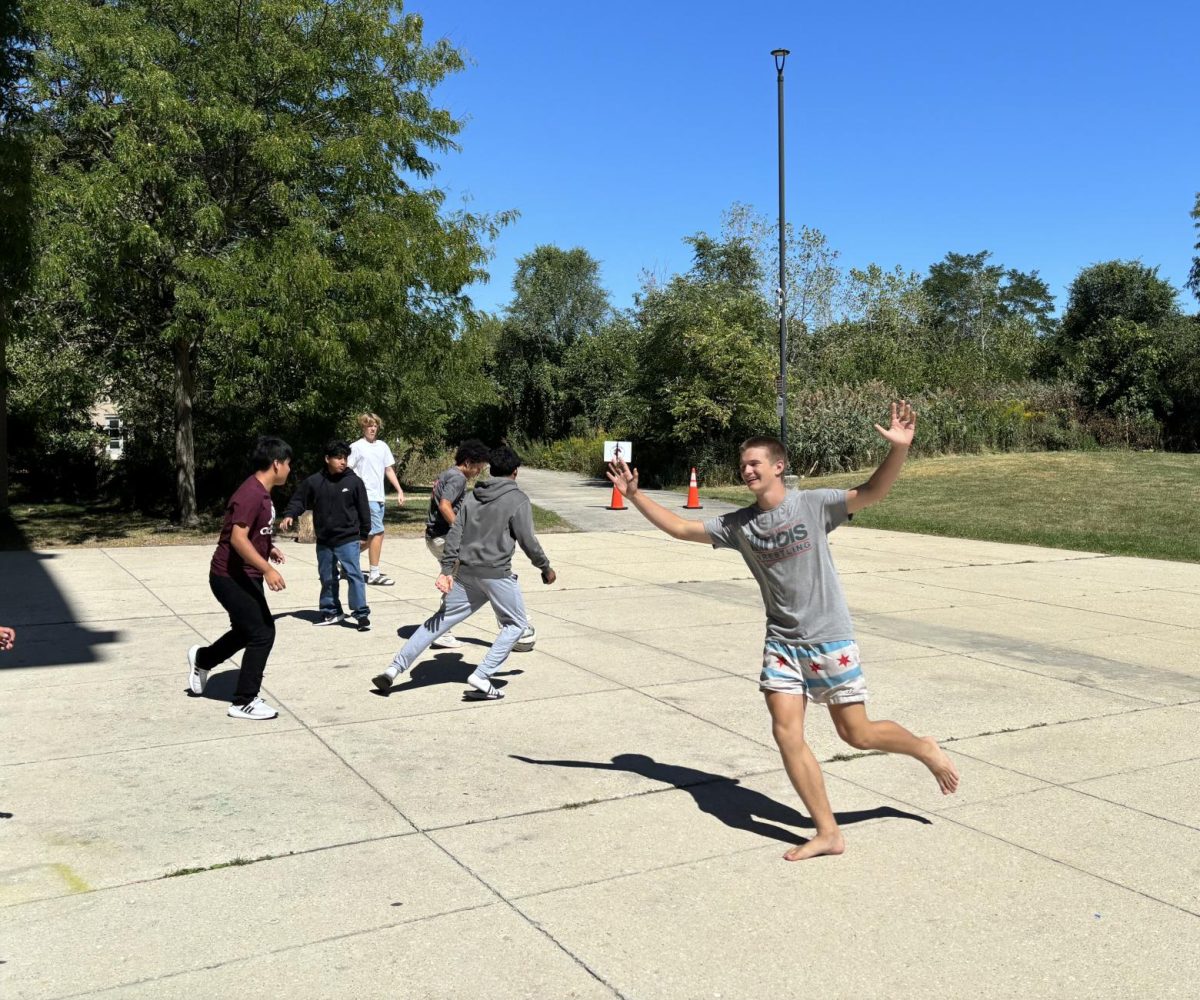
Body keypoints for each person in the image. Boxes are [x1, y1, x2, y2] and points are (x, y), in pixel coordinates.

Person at [605, 401, 959, 861]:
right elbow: (680, 527)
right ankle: (828, 832)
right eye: (742, 465)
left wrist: (899, 450)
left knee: (857, 734)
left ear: (778, 466)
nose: (746, 470)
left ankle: (922, 748)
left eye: (754, 463)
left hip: (830, 638)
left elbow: (872, 492)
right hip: (782, 644)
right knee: (786, 733)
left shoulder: (812, 505)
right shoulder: (739, 525)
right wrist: (634, 495)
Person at [373, 445, 556, 700]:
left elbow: (456, 532)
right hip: (496, 574)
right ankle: (482, 675)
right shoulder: (518, 499)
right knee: (516, 625)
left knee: (437, 622)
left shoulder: (473, 496)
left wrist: (447, 569)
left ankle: (393, 669)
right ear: (515, 472)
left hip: (466, 572)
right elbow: (528, 540)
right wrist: (545, 567)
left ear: (491, 470)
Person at [187, 436, 292, 721]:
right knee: (262, 633)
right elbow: (237, 539)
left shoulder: (263, 492)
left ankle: (203, 660)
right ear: (276, 464)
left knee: (248, 631)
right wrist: (268, 569)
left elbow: (254, 534)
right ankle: (244, 700)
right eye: (288, 463)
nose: (289, 469)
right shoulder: (251, 493)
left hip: (245, 573)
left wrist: (269, 549)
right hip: (228, 576)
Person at [279, 439, 372, 630]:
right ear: (327, 459)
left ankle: (361, 614)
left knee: (354, 575)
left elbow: (364, 509)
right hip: (324, 541)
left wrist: (364, 533)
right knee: (327, 577)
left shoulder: (354, 481)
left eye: (345, 458)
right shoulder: (314, 481)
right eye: (338, 458)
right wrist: (290, 514)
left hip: (348, 538)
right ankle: (332, 611)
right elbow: (299, 500)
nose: (343, 462)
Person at [423, 438, 491, 648]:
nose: (480, 470)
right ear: (469, 462)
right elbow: (445, 506)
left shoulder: (448, 473)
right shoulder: (458, 478)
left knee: (455, 579)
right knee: (453, 581)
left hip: (435, 535)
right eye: (479, 466)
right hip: (443, 537)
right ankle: (441, 630)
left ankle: (442, 627)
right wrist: (459, 530)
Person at [348, 412, 405, 586]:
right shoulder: (356, 447)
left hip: (379, 497)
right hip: (365, 497)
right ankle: (374, 573)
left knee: (369, 536)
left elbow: (388, 469)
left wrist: (399, 490)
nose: (372, 428)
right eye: (368, 425)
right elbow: (347, 470)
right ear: (363, 427)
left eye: (374, 425)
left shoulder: (382, 446)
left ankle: (344, 558)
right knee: (377, 533)